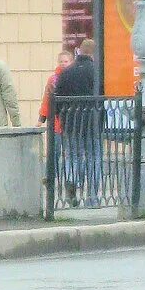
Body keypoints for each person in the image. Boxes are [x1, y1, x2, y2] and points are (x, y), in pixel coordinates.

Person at [53, 39, 99, 204]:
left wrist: (61, 117)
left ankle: (72, 180)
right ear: (93, 53)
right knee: (93, 157)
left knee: (73, 156)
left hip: (70, 121)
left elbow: (57, 98)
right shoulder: (96, 72)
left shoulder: (66, 72)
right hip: (91, 122)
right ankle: (92, 197)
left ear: (79, 51)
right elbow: (102, 99)